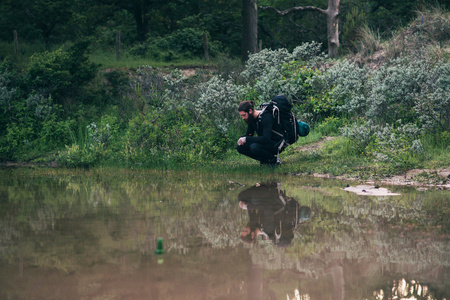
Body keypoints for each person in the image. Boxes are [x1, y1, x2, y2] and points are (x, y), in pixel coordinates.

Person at [236, 100, 281, 166]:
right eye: (242, 116)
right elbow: (249, 135)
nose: (243, 118)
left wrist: (246, 139)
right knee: (240, 147)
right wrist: (242, 140)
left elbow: (266, 138)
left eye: (244, 115)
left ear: (250, 111)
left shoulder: (265, 117)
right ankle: (264, 160)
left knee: (254, 147)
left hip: (276, 143)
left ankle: (273, 160)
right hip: (265, 143)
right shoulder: (251, 119)